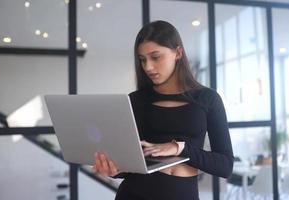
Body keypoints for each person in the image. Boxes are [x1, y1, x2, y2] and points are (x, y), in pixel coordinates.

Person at [91, 20, 234, 200]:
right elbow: (132, 166)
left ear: (178, 53)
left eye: (155, 57)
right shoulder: (135, 100)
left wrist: (179, 148)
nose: (148, 67)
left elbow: (225, 166)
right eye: (142, 60)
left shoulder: (208, 99)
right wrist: (113, 170)